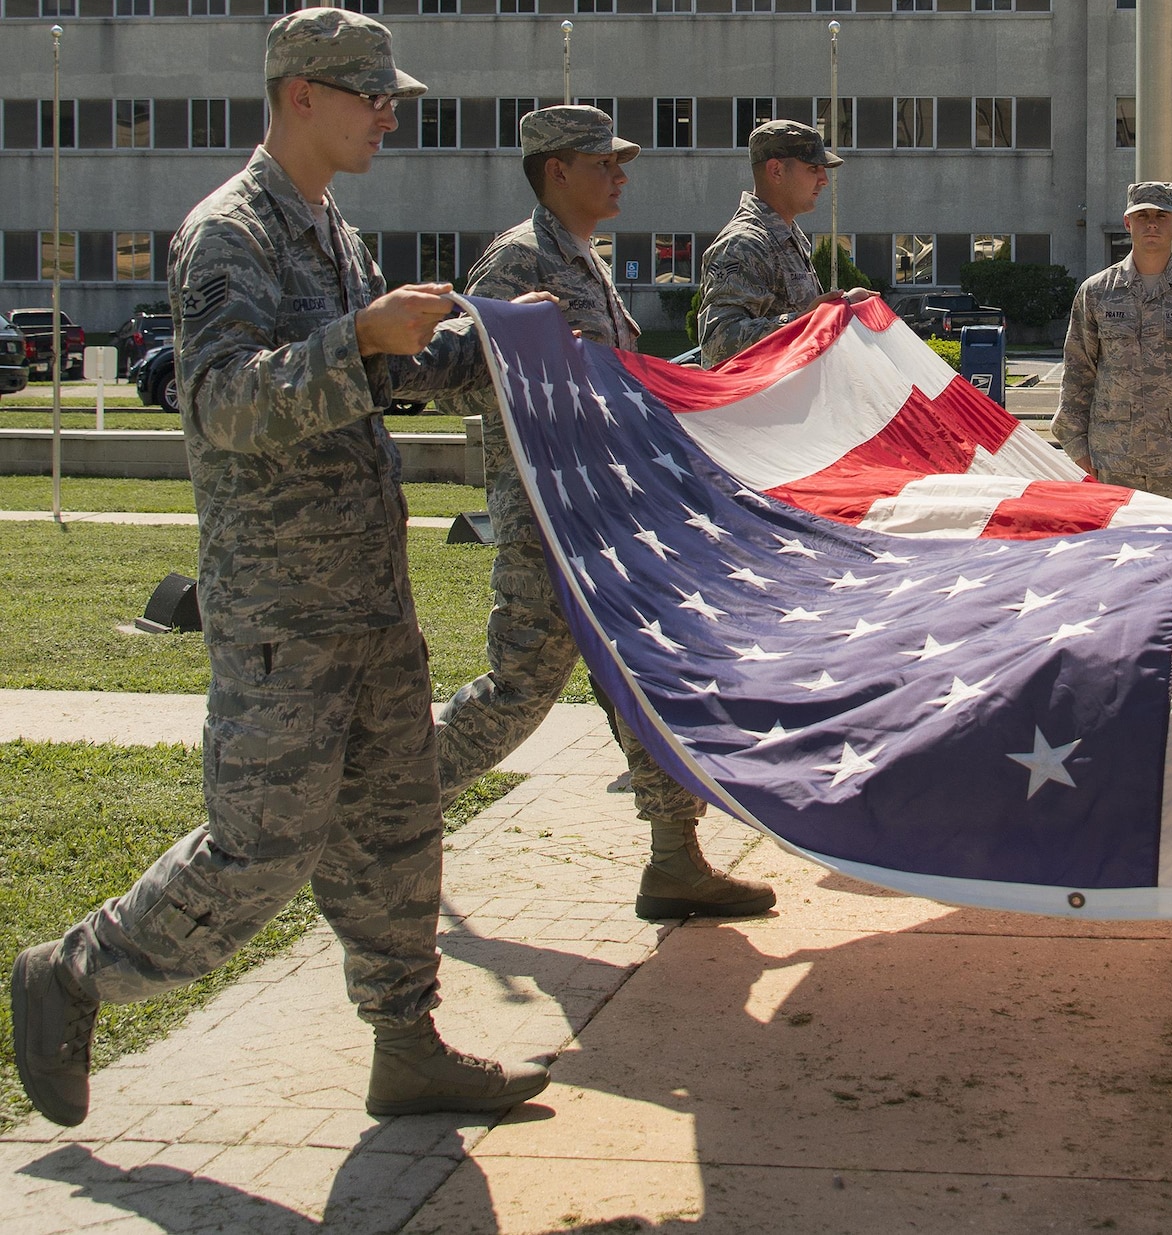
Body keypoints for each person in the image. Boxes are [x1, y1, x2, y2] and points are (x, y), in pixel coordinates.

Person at [9, 7, 553, 1129]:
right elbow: (222, 402)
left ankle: (406, 1044)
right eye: (368, 93)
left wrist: (492, 345)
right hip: (282, 612)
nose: (387, 112)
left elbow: (376, 374)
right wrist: (359, 337)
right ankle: (69, 971)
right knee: (260, 850)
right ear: (299, 93)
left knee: (397, 831)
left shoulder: (329, 228)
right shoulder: (230, 233)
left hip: (369, 597)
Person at [433, 106, 775, 922]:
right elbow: (461, 368)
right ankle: (385, 811)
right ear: (556, 169)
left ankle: (674, 858)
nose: (621, 175)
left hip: (612, 513)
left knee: (648, 676)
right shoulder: (518, 260)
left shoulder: (587, 258)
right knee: (519, 688)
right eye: (604, 162)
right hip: (553, 520)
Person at [1052, 181, 1172, 509]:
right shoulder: (1097, 292)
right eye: (1142, 215)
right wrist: (1076, 446)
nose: (1152, 223)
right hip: (1113, 461)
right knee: (1117, 555)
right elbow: (1077, 374)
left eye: (1161, 215)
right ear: (1127, 222)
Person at [697, 119, 875, 368]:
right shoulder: (743, 243)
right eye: (813, 168)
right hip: (757, 404)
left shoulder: (784, 236)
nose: (824, 179)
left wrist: (840, 307)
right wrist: (807, 320)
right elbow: (720, 344)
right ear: (776, 170)